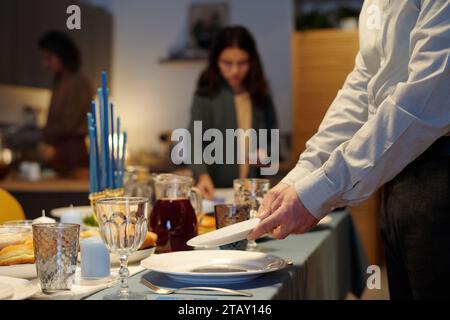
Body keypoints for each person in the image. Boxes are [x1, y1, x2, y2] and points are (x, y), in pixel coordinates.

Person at [248, 1, 450, 300]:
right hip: (397, 177)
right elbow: (362, 88)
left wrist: (318, 191)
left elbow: (426, 98)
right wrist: (302, 175)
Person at [187, 26, 278, 199]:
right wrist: (202, 175)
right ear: (216, 61)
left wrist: (265, 153)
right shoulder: (206, 95)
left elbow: (273, 141)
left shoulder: (261, 96)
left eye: (242, 63)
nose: (235, 71)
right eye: (227, 63)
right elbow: (193, 142)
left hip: (252, 192)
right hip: (216, 192)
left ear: (252, 61)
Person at [38, 31, 93, 178]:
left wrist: (40, 134)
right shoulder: (59, 83)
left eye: (48, 58)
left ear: (62, 55)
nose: (45, 64)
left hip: (73, 155)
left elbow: (67, 124)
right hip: (61, 154)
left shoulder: (79, 83)